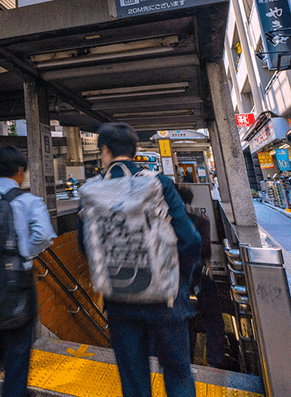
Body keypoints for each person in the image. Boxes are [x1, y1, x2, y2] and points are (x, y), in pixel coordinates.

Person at [83, 123, 201, 397]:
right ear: (134, 152)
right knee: (178, 374)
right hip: (165, 299)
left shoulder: (92, 191)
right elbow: (191, 239)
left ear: (105, 151)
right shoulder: (159, 184)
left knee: (134, 381)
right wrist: (174, 276)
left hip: (119, 300)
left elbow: (85, 243)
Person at [0, 145, 55, 397]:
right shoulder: (28, 201)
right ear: (20, 172)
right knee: (18, 354)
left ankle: (10, 388)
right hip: (18, 288)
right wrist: (22, 253)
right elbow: (45, 236)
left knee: (1, 343)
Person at [177, 183, 227, 369]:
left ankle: (185, 360)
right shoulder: (200, 221)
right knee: (213, 318)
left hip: (177, 280)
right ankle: (215, 360)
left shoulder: (167, 223)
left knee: (183, 320)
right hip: (200, 277)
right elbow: (206, 251)